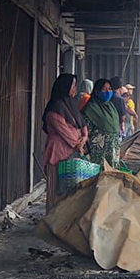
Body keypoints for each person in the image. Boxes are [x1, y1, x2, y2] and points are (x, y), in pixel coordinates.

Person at [41, 73, 88, 205]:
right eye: (73, 86)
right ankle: (53, 222)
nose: (75, 89)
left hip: (73, 153)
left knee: (71, 192)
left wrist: (83, 138)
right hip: (57, 155)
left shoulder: (71, 106)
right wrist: (80, 141)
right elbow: (68, 134)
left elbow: (83, 126)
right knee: (56, 191)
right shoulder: (54, 109)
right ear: (64, 87)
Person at [82, 78, 123, 168]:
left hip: (113, 149)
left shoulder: (111, 106)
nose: (108, 92)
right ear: (97, 91)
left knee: (112, 175)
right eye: (104, 89)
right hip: (99, 152)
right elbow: (85, 129)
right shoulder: (90, 108)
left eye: (109, 89)